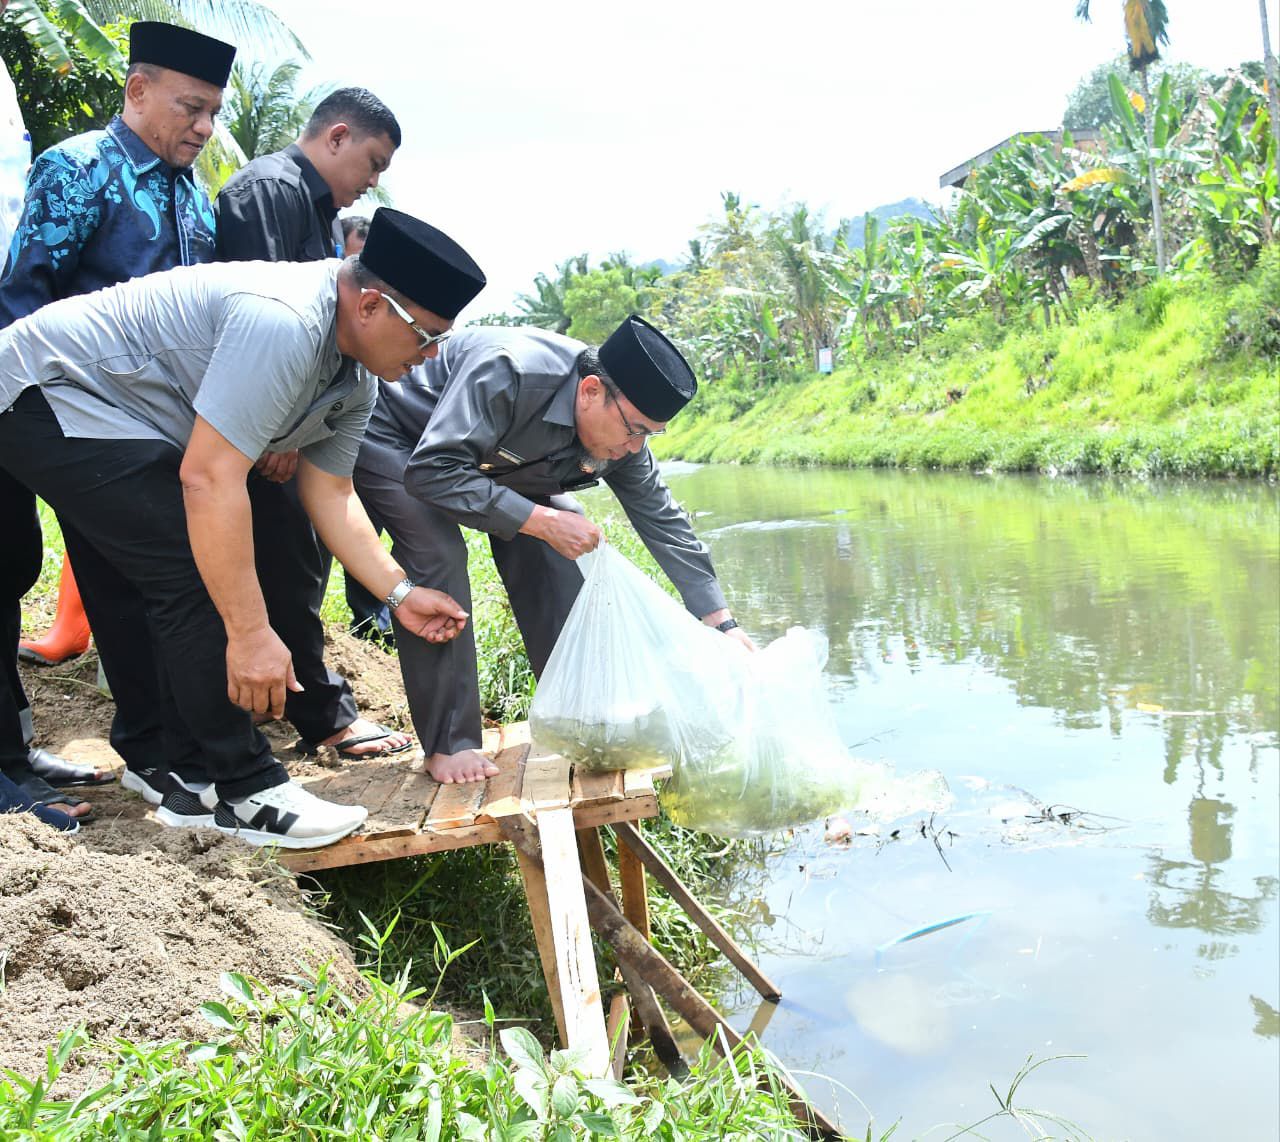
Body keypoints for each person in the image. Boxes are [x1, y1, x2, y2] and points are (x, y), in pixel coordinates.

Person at [0, 207, 487, 848]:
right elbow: (208, 480)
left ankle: (190, 777)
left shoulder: (354, 375)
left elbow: (331, 491)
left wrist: (399, 592)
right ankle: (245, 787)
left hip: (123, 415)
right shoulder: (284, 322)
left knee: (184, 565)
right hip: (48, 389)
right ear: (371, 306)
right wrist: (251, 635)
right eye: (425, 337)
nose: (427, 359)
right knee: (190, 563)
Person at [0, 20, 236, 819]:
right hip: (75, 421)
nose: (203, 129)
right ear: (136, 91)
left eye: (212, 114)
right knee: (124, 582)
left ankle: (162, 742)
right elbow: (25, 301)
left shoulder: (194, 199)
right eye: (190, 108)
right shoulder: (78, 170)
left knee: (165, 579)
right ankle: (147, 748)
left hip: (169, 429)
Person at [353, 316, 754, 785]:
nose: (636, 447)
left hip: (498, 458)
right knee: (439, 554)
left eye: (651, 434)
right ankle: (450, 744)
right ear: (589, 391)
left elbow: (664, 521)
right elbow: (434, 471)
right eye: (635, 429)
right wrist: (539, 520)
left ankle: (580, 714)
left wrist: (721, 623)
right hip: (406, 440)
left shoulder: (621, 432)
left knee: (560, 549)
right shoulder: (510, 371)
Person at [214, 92, 406, 756]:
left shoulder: (313, 205)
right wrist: (277, 434)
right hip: (255, 419)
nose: (373, 180)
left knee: (294, 563)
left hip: (280, 421)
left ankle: (303, 711)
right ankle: (316, 716)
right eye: (372, 161)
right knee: (284, 563)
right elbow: (268, 311)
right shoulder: (270, 190)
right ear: (338, 137)